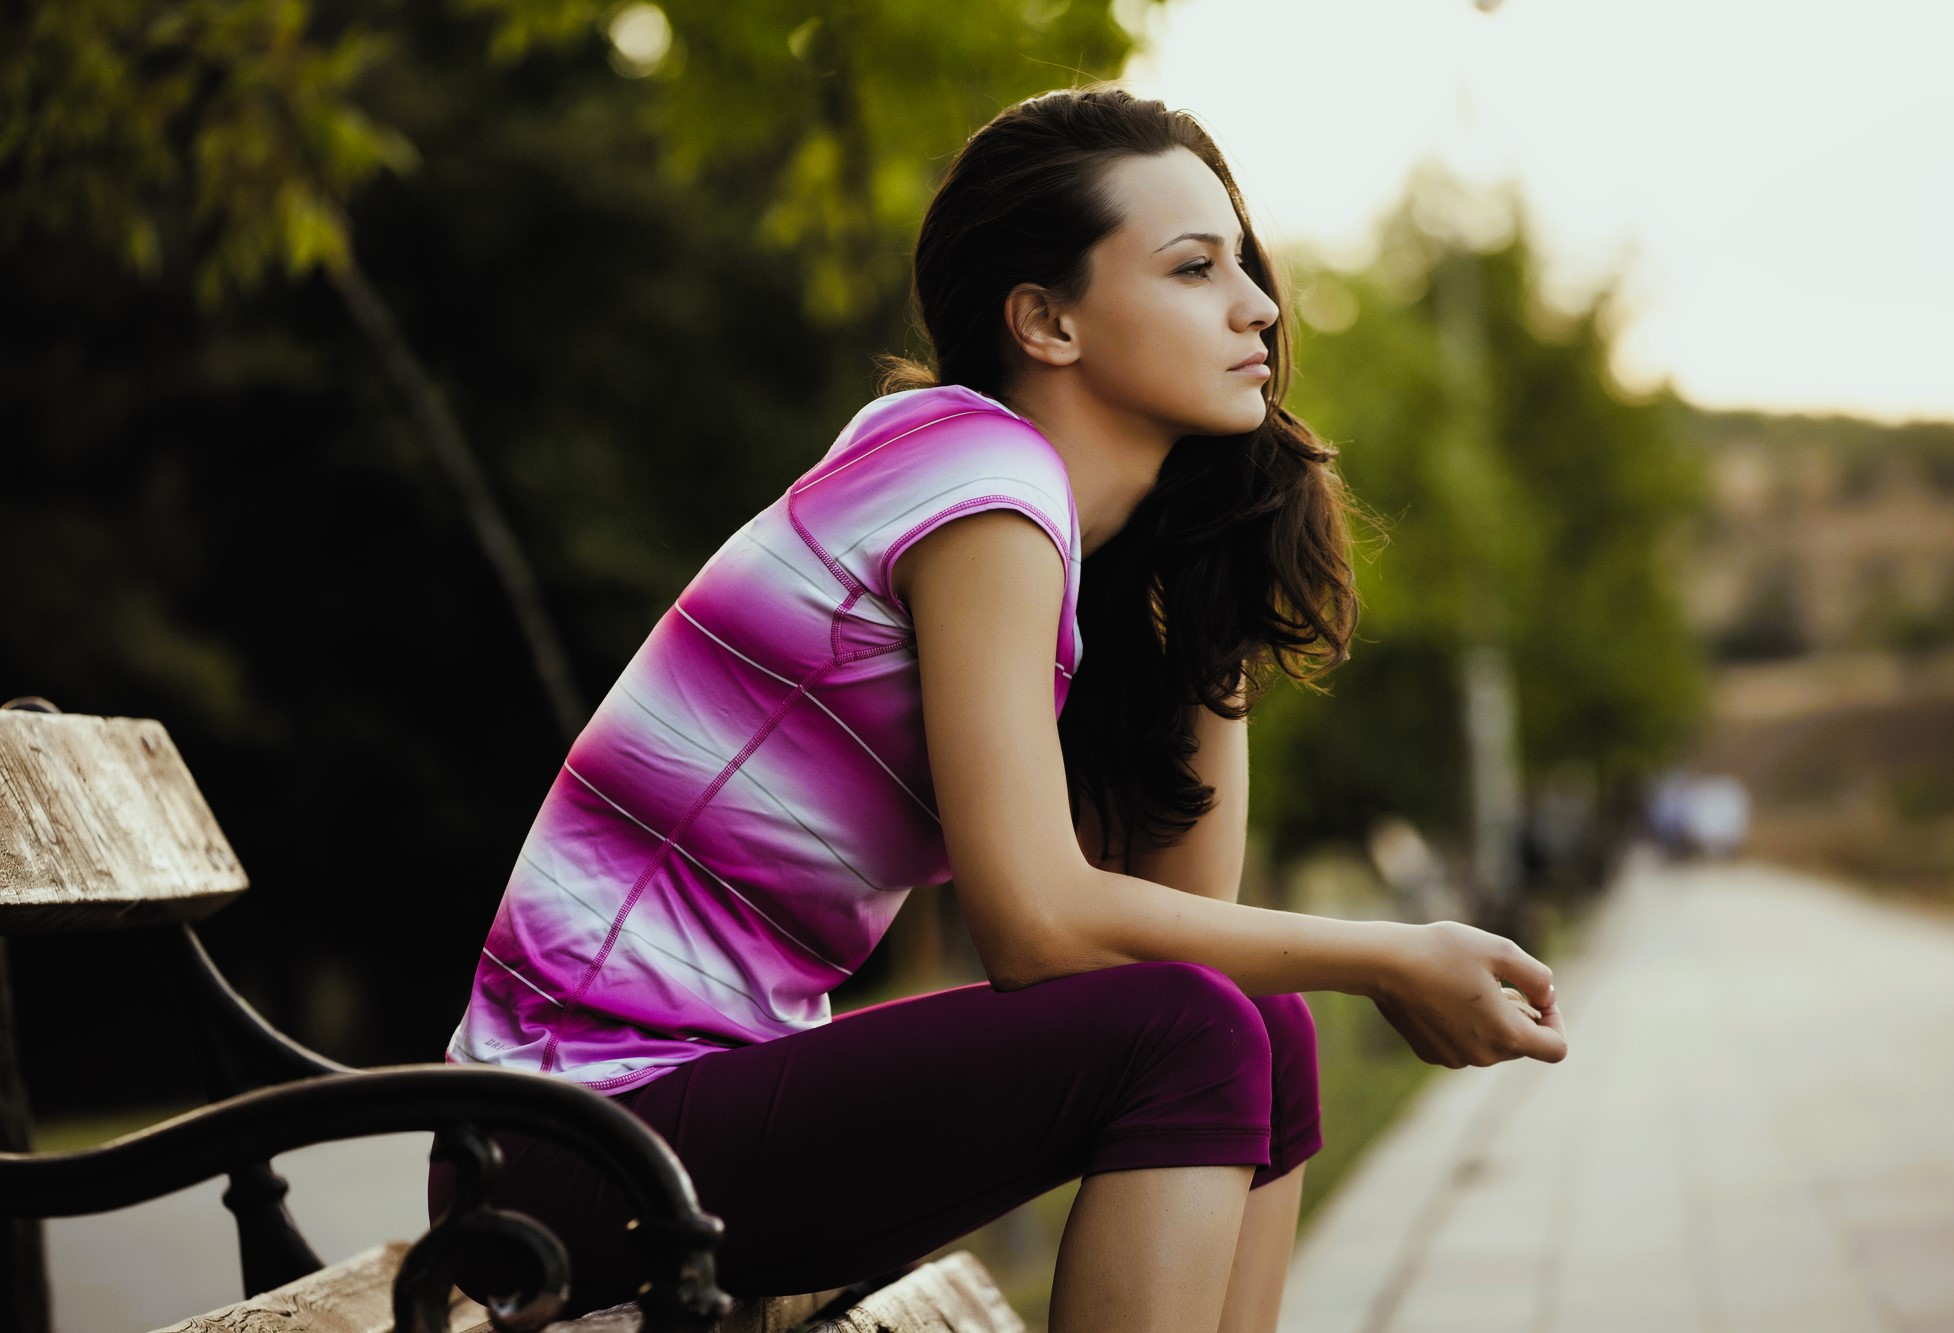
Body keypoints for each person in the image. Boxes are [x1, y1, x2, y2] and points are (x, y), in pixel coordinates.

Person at [428, 83, 1567, 1333]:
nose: (1257, 305)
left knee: (1260, 1026)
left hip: (674, 1123)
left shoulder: (1041, 525)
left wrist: (1214, 593)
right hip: (564, 1142)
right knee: (1190, 1033)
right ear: (1045, 321)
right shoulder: (975, 482)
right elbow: (1033, 925)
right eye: (1193, 269)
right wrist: (1393, 955)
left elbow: (1185, 923)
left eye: (1244, 263)